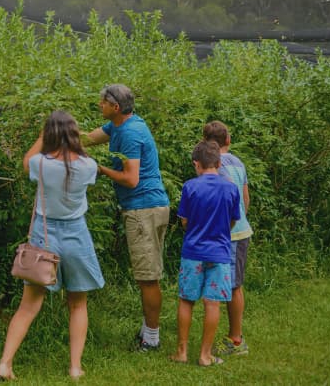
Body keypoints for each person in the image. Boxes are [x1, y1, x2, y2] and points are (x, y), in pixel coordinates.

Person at [0, 111, 105, 381]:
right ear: (73, 134)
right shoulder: (88, 166)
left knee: (28, 305)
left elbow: (25, 162)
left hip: (44, 234)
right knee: (78, 303)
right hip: (77, 234)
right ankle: (75, 368)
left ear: (51, 134)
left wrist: (41, 137)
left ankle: (5, 364)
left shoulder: (41, 164)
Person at [83, 84, 170, 351]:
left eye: (103, 101)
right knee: (147, 275)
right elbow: (87, 138)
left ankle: (151, 340)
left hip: (144, 209)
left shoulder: (131, 133)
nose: (99, 104)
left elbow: (131, 179)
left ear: (115, 107)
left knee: (148, 277)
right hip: (146, 207)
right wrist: (57, 132)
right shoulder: (118, 125)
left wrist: (99, 169)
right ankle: (147, 332)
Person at [170, 140, 240, 366]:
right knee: (212, 304)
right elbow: (232, 221)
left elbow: (184, 220)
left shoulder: (190, 187)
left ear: (196, 164)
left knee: (186, 300)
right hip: (219, 253)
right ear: (219, 163)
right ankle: (205, 355)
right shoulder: (231, 187)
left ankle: (181, 352)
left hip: (193, 251)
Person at [203, 121, 253, 356]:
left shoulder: (217, 166)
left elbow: (229, 198)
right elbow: (245, 200)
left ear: (205, 142)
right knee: (234, 284)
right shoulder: (239, 162)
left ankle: (236, 340)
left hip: (230, 233)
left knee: (233, 286)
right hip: (240, 230)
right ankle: (232, 336)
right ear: (228, 141)